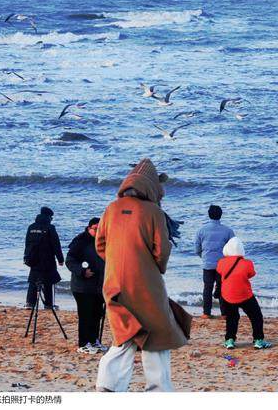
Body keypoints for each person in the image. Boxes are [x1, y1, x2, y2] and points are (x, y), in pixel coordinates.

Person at [95, 159, 189, 392]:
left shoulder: (111, 208)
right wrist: (150, 266)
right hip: (145, 285)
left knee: (125, 333)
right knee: (156, 337)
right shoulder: (153, 211)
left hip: (114, 282)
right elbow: (162, 250)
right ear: (151, 186)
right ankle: (158, 390)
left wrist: (117, 263)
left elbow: (100, 244)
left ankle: (108, 386)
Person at [216, 236, 271, 349]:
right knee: (256, 316)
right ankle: (258, 340)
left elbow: (219, 275)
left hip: (227, 295)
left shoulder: (221, 262)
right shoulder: (247, 263)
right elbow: (251, 274)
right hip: (244, 294)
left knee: (232, 318)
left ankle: (229, 340)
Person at [66, 217, 106, 354]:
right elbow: (70, 261)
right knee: (85, 315)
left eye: (100, 228)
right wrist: (82, 271)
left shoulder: (104, 241)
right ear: (89, 228)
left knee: (97, 314)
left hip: (99, 286)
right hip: (82, 286)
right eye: (96, 228)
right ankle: (83, 343)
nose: (98, 231)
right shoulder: (80, 241)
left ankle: (94, 341)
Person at [194, 204, 234, 318]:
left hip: (207, 264)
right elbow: (233, 248)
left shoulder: (201, 230)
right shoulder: (228, 231)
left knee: (207, 288)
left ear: (209, 215)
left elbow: (197, 249)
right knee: (222, 288)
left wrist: (205, 257)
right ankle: (224, 314)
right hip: (222, 265)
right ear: (220, 215)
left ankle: (206, 313)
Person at [23, 206, 64, 310]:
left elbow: (27, 243)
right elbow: (56, 245)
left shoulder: (31, 227)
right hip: (47, 259)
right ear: (49, 217)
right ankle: (48, 304)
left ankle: (29, 303)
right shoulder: (50, 228)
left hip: (33, 259)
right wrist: (60, 259)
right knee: (48, 282)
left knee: (33, 281)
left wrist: (27, 257)